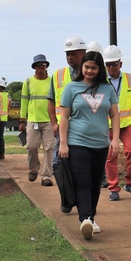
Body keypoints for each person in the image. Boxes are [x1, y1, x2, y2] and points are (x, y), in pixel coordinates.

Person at [58, 50, 121, 240]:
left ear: (99, 68)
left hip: (100, 144)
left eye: (93, 67)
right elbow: (64, 117)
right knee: (83, 181)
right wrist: (63, 143)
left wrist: (115, 139)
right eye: (86, 67)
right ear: (81, 67)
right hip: (77, 143)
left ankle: (90, 218)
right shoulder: (71, 88)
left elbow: (115, 115)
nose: (89, 71)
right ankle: (85, 218)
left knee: (95, 183)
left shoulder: (107, 89)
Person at [102, 45, 131, 201]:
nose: (111, 67)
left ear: (121, 64)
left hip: (126, 124)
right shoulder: (101, 81)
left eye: (114, 64)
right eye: (108, 64)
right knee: (111, 155)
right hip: (108, 124)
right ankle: (113, 187)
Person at [49, 35, 86, 169]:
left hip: (84, 125)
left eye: (73, 54)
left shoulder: (91, 73)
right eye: (67, 54)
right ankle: (63, 181)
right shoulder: (58, 74)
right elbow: (51, 100)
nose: (69, 57)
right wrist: (53, 123)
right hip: (62, 125)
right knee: (60, 160)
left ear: (83, 53)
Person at [19, 54, 56, 187]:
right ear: (34, 67)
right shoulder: (28, 82)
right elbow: (24, 101)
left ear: (46, 66)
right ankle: (33, 169)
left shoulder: (52, 82)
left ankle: (46, 176)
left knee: (49, 148)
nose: (41, 67)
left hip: (49, 121)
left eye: (43, 64)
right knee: (32, 146)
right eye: (38, 65)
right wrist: (22, 120)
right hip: (33, 120)